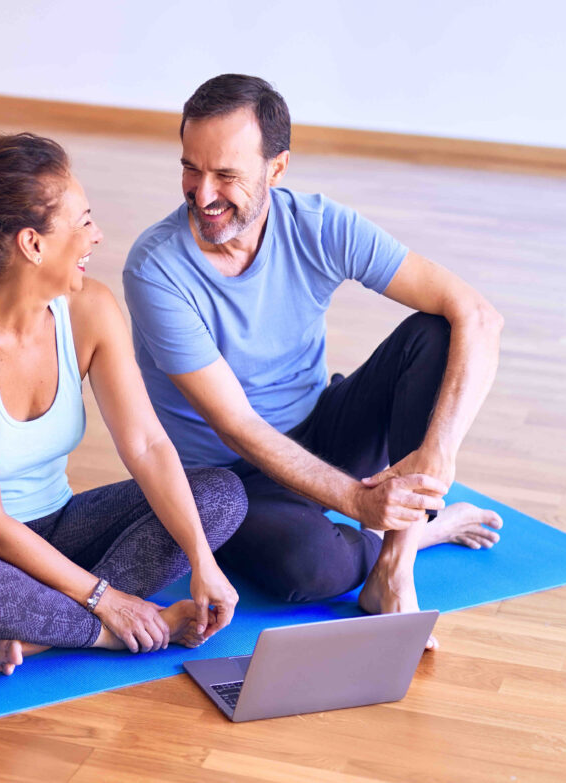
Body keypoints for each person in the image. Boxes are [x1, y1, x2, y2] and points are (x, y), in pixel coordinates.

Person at [123, 74, 505, 650]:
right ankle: (425, 531)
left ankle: (394, 570)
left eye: (226, 175)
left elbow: (478, 316)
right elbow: (239, 426)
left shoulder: (320, 225)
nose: (202, 194)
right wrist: (358, 501)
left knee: (436, 331)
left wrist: (438, 455)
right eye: (190, 169)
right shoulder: (156, 269)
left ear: (276, 170)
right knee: (309, 571)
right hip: (232, 479)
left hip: (323, 428)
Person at [0, 132, 246, 675]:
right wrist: (107, 600)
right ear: (33, 244)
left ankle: (41, 633)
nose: (96, 236)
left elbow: (147, 445)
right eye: (82, 222)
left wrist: (201, 559)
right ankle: (102, 633)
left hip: (58, 528)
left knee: (220, 496)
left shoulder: (92, 311)